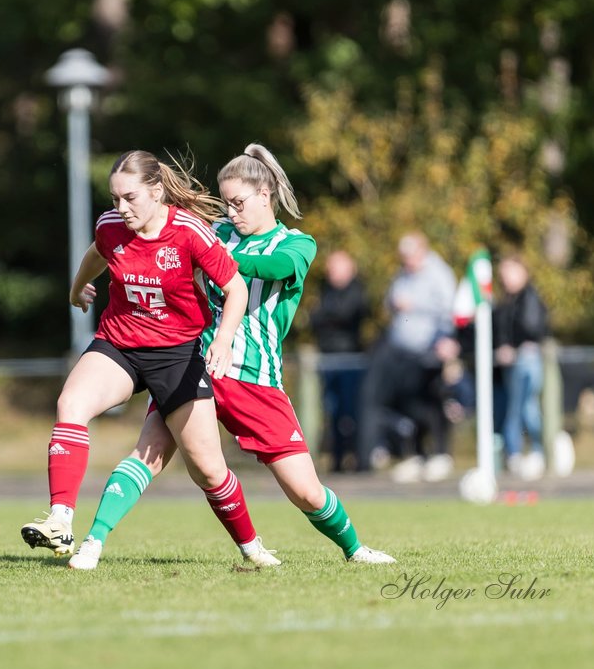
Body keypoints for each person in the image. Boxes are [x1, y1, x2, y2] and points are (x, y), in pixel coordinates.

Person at [65, 144, 396, 571]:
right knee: (149, 452)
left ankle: (355, 549)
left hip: (255, 378)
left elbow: (272, 267)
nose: (232, 213)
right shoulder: (215, 231)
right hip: (192, 363)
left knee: (306, 492)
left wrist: (207, 256)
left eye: (239, 203)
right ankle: (92, 542)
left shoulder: (297, 244)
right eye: (227, 204)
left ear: (265, 195)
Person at [20, 150, 280, 567]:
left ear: (157, 192)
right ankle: (60, 519)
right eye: (114, 198)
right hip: (119, 344)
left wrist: (225, 338)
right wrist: (76, 289)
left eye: (130, 198)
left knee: (209, 471)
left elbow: (236, 288)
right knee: (71, 404)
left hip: (177, 356)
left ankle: (251, 547)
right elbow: (96, 253)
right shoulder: (111, 226)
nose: (120, 208)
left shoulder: (190, 231)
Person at [356, 231, 458, 482]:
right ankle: (416, 453)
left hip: (428, 351)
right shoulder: (403, 273)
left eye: (411, 256)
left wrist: (416, 306)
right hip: (401, 352)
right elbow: (389, 302)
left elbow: (449, 311)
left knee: (430, 402)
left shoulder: (439, 274)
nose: (408, 261)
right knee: (404, 403)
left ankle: (440, 454)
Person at [309, 250, 370, 473]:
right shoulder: (326, 290)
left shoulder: (357, 290)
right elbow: (315, 319)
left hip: (350, 361)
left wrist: (326, 315)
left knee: (351, 412)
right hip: (328, 359)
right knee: (332, 412)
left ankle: (359, 460)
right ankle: (337, 461)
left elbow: (346, 315)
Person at [493, 253, 550, 480]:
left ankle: (537, 451)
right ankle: (515, 454)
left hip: (525, 361)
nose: (506, 277)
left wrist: (513, 348)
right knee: (515, 408)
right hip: (511, 363)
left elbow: (532, 329)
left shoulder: (529, 298)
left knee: (525, 406)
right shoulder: (506, 301)